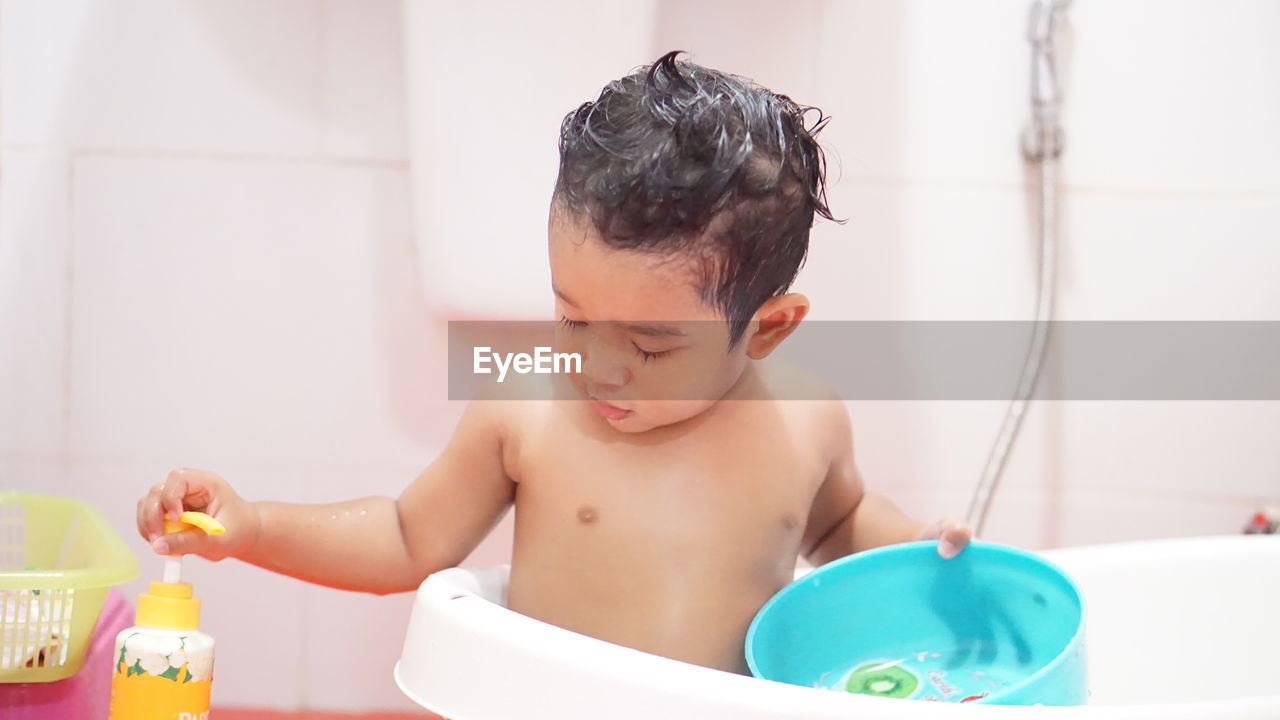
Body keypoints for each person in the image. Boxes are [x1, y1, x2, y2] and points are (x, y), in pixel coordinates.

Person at [136, 51, 971, 676]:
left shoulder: (803, 421)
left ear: (768, 330)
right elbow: (403, 537)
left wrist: (923, 552)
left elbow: (838, 526)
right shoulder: (526, 409)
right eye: (573, 318)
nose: (601, 368)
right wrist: (251, 527)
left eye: (650, 346)